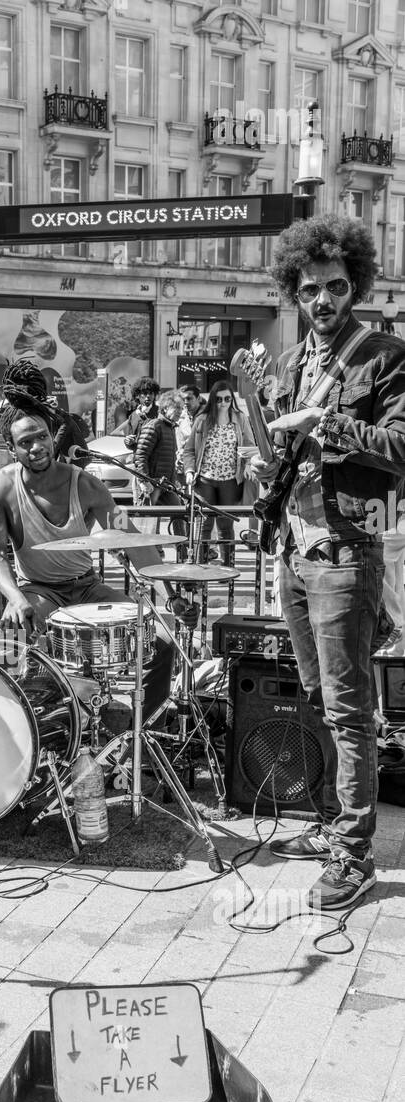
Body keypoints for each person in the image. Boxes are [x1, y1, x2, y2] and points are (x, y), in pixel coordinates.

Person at [251, 213, 405, 909]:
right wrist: (266, 462)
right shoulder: (288, 364)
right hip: (292, 551)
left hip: (346, 553)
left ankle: (352, 856)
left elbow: (398, 449)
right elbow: (285, 458)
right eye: (309, 288)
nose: (321, 299)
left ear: (356, 285)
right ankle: (334, 822)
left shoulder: (384, 354)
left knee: (348, 714)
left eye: (334, 286)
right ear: (293, 289)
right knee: (317, 697)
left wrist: (324, 423)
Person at [0, 398, 175, 726]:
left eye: (41, 437)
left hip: (87, 588)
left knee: (162, 641)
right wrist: (14, 598)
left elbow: (133, 542)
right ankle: (42, 733)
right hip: (38, 590)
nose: (36, 447)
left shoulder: (85, 483)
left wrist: (171, 594)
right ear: (12, 449)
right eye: (25, 442)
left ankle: (138, 737)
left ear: (52, 437)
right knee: (16, 638)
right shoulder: (0, 486)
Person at [181, 378, 254, 564]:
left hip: (230, 480)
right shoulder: (202, 420)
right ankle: (201, 569)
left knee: (225, 524)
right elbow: (189, 450)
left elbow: (250, 446)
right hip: (205, 479)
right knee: (203, 524)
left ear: (232, 400)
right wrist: (189, 470)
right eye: (219, 399)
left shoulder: (240, 418)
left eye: (227, 399)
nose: (223, 403)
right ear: (213, 399)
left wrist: (247, 465)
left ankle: (227, 568)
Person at [132, 390, 187, 546]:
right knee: (149, 522)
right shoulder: (155, 425)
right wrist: (144, 480)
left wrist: (174, 480)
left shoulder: (169, 427)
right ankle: (151, 552)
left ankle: (182, 550)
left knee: (179, 513)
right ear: (164, 409)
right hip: (152, 483)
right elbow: (140, 456)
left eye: (181, 408)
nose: (180, 412)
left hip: (165, 483)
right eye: (176, 408)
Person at [175, 384, 204, 464]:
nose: (185, 402)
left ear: (198, 398)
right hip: (184, 464)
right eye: (183, 399)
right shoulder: (179, 417)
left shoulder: (208, 417)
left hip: (202, 466)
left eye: (189, 398)